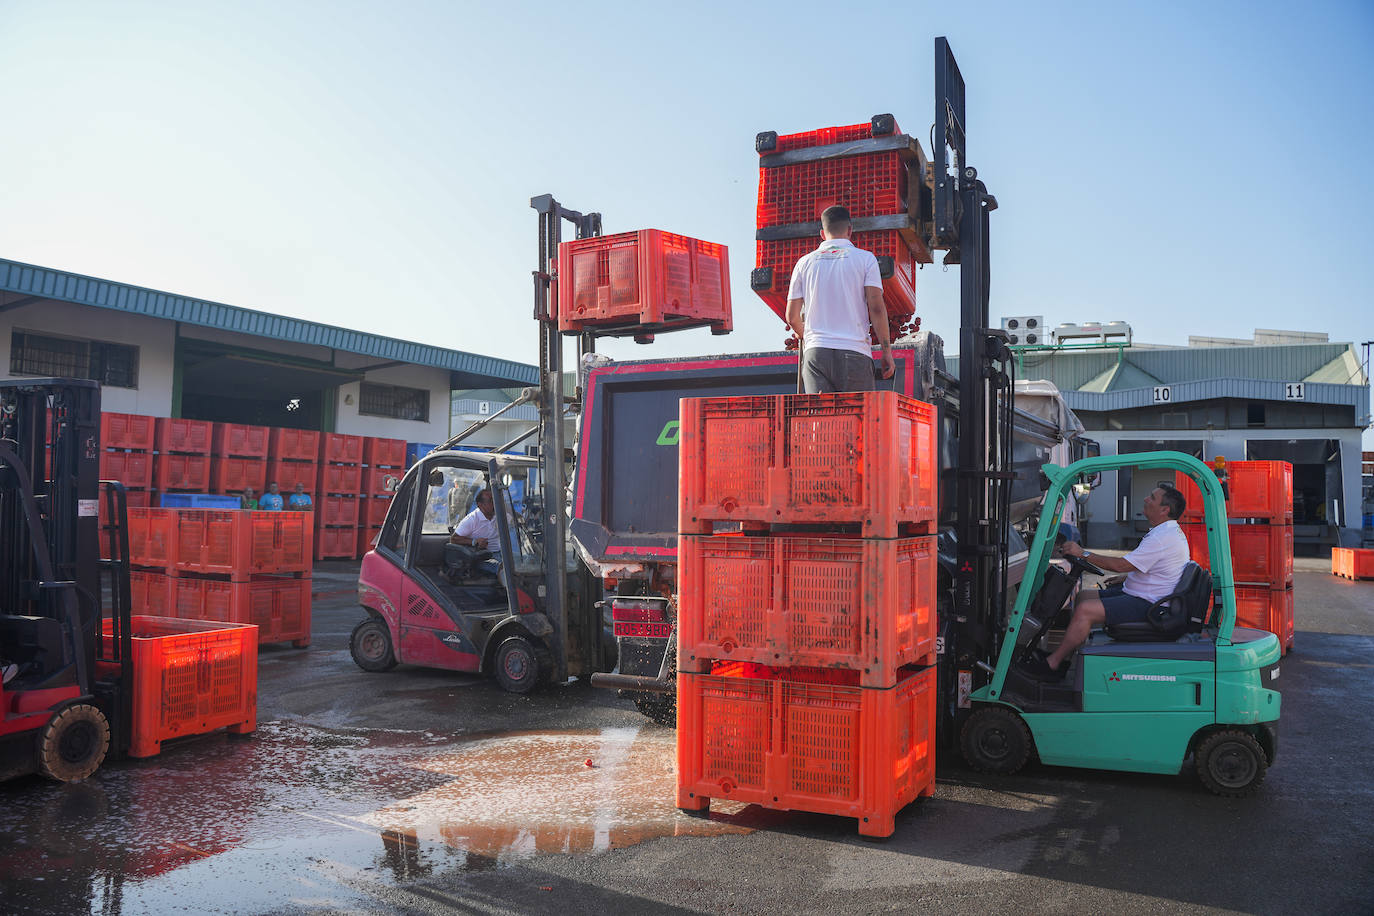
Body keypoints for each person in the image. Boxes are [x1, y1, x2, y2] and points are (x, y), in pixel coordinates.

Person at [1032, 484, 1191, 678]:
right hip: (1146, 595)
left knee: (1085, 610)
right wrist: (1127, 577)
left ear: (1165, 509)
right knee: (1083, 597)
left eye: (1152, 497)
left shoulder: (1162, 537)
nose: (1146, 499)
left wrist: (1083, 553)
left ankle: (1053, 664)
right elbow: (1155, 568)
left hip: (1151, 605)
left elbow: (1121, 564)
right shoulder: (1165, 532)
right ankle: (1068, 657)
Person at [784, 205, 895, 393]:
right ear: (850, 230)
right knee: (858, 419)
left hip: (816, 355)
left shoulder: (804, 263)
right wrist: (886, 352)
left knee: (821, 420)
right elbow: (876, 308)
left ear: (822, 233)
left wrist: (806, 333)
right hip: (855, 354)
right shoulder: (866, 259)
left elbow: (792, 317)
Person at [450, 488, 501, 558]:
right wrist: (474, 542)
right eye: (491, 501)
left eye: (495, 500)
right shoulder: (471, 520)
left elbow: (516, 520)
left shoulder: (499, 515)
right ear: (480, 505)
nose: (494, 504)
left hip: (501, 553)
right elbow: (453, 539)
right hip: (482, 556)